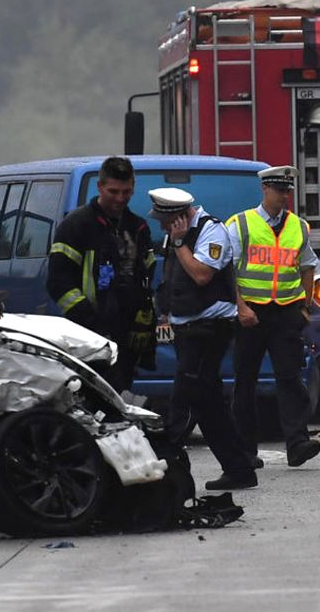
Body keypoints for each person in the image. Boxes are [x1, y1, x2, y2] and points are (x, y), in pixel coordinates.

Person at [150, 187, 256, 492]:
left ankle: (164, 463)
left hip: (208, 329)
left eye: (164, 220)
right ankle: (239, 468)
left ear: (179, 217)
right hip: (187, 328)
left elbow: (201, 275)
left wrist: (181, 241)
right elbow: (175, 277)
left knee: (184, 398)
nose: (161, 226)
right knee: (210, 404)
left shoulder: (211, 231)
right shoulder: (177, 233)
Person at [226, 166, 320, 469]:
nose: (284, 196)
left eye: (287, 191)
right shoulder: (240, 224)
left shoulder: (299, 227)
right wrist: (240, 307)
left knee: (290, 378)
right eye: (279, 190)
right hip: (251, 313)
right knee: (245, 381)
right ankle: (244, 450)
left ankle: (297, 444)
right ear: (265, 190)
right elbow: (227, 270)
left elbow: (308, 265)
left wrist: (305, 306)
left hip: (286, 312)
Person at [46, 155, 156, 392]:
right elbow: (58, 282)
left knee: (118, 392)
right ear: (100, 187)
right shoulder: (77, 225)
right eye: (113, 191)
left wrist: (144, 318)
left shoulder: (138, 228)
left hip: (126, 333)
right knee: (89, 395)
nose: (120, 198)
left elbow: (147, 276)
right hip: (87, 333)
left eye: (126, 192)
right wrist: (90, 321)